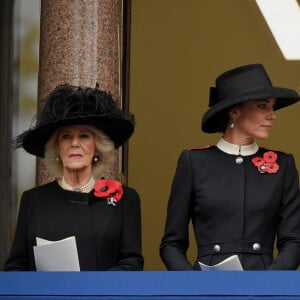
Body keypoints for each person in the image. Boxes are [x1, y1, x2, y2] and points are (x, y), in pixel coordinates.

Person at [160, 63, 300, 270]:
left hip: (264, 286)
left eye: (272, 106)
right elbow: (172, 244)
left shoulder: (283, 164)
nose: (272, 114)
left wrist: (268, 285)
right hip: (206, 287)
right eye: (263, 106)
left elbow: (294, 241)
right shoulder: (194, 162)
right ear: (234, 112)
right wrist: (192, 285)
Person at [4, 83, 144, 271]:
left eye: (84, 136)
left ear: (98, 146)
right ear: (56, 148)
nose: (75, 143)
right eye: (66, 136)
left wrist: (91, 288)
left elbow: (132, 264)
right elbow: (16, 268)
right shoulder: (33, 201)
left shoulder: (126, 200)